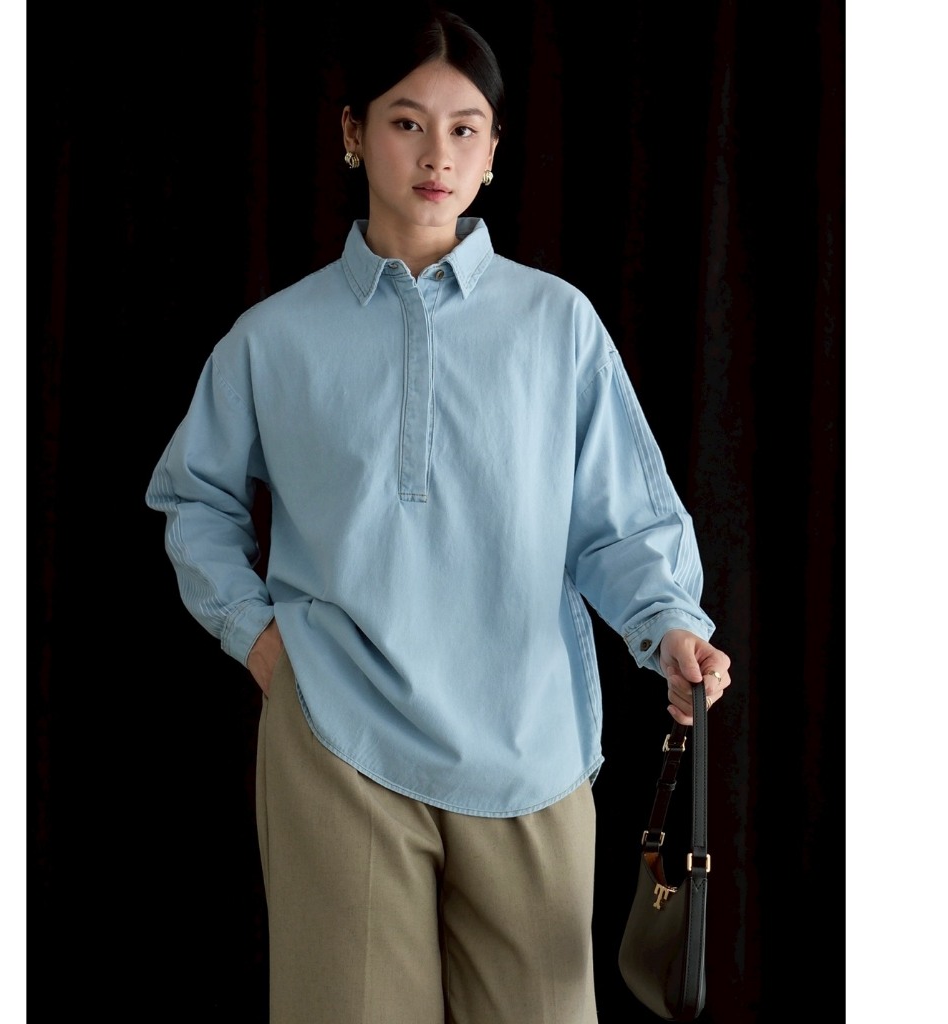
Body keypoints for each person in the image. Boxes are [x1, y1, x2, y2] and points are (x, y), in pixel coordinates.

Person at [145, 5, 732, 1021]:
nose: (437, 154)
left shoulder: (557, 325)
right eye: (407, 122)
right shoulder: (273, 338)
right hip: (337, 738)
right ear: (352, 133)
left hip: (531, 742)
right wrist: (262, 642)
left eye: (465, 128)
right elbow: (194, 498)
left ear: (495, 151)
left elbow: (624, 524)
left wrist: (668, 628)